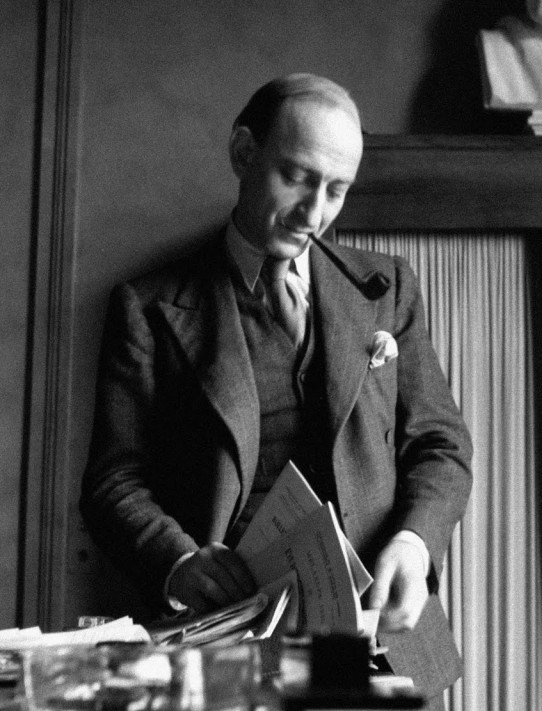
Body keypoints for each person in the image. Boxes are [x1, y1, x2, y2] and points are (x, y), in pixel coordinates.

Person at [80, 73, 472, 709]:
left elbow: (441, 445)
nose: (314, 214)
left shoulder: (388, 288)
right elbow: (113, 481)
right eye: (297, 177)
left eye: (336, 190)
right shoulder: (147, 306)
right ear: (244, 153)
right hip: (228, 637)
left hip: (381, 634)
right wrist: (180, 563)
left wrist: (415, 541)